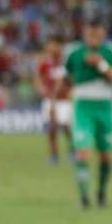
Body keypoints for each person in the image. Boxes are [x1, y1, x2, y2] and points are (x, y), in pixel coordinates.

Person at [52, 18, 112, 209]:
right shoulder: (73, 52)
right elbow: (65, 79)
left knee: (105, 154)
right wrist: (54, 102)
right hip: (82, 105)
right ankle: (84, 197)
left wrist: (101, 65)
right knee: (82, 151)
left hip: (105, 106)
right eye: (90, 30)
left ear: (103, 32)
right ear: (84, 31)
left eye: (97, 31)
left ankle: (101, 194)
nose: (93, 35)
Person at [34, 35, 72, 164]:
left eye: (53, 45)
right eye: (48, 45)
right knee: (51, 127)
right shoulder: (44, 62)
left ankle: (73, 151)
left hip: (64, 100)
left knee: (67, 127)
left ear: (58, 46)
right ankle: (54, 155)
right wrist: (40, 88)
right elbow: (37, 76)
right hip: (49, 99)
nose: (50, 48)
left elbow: (67, 80)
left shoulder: (65, 61)